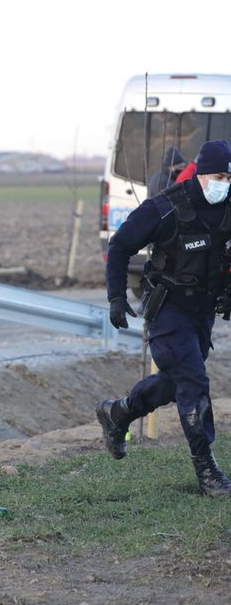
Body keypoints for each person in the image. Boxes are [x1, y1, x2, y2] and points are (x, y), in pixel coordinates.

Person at [95, 139, 231, 497]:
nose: (224, 183)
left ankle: (118, 413)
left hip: (203, 313)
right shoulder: (166, 207)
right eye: (219, 175)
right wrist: (115, 296)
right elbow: (121, 245)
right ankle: (207, 470)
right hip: (168, 310)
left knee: (175, 384)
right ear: (201, 174)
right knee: (195, 382)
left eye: (229, 177)